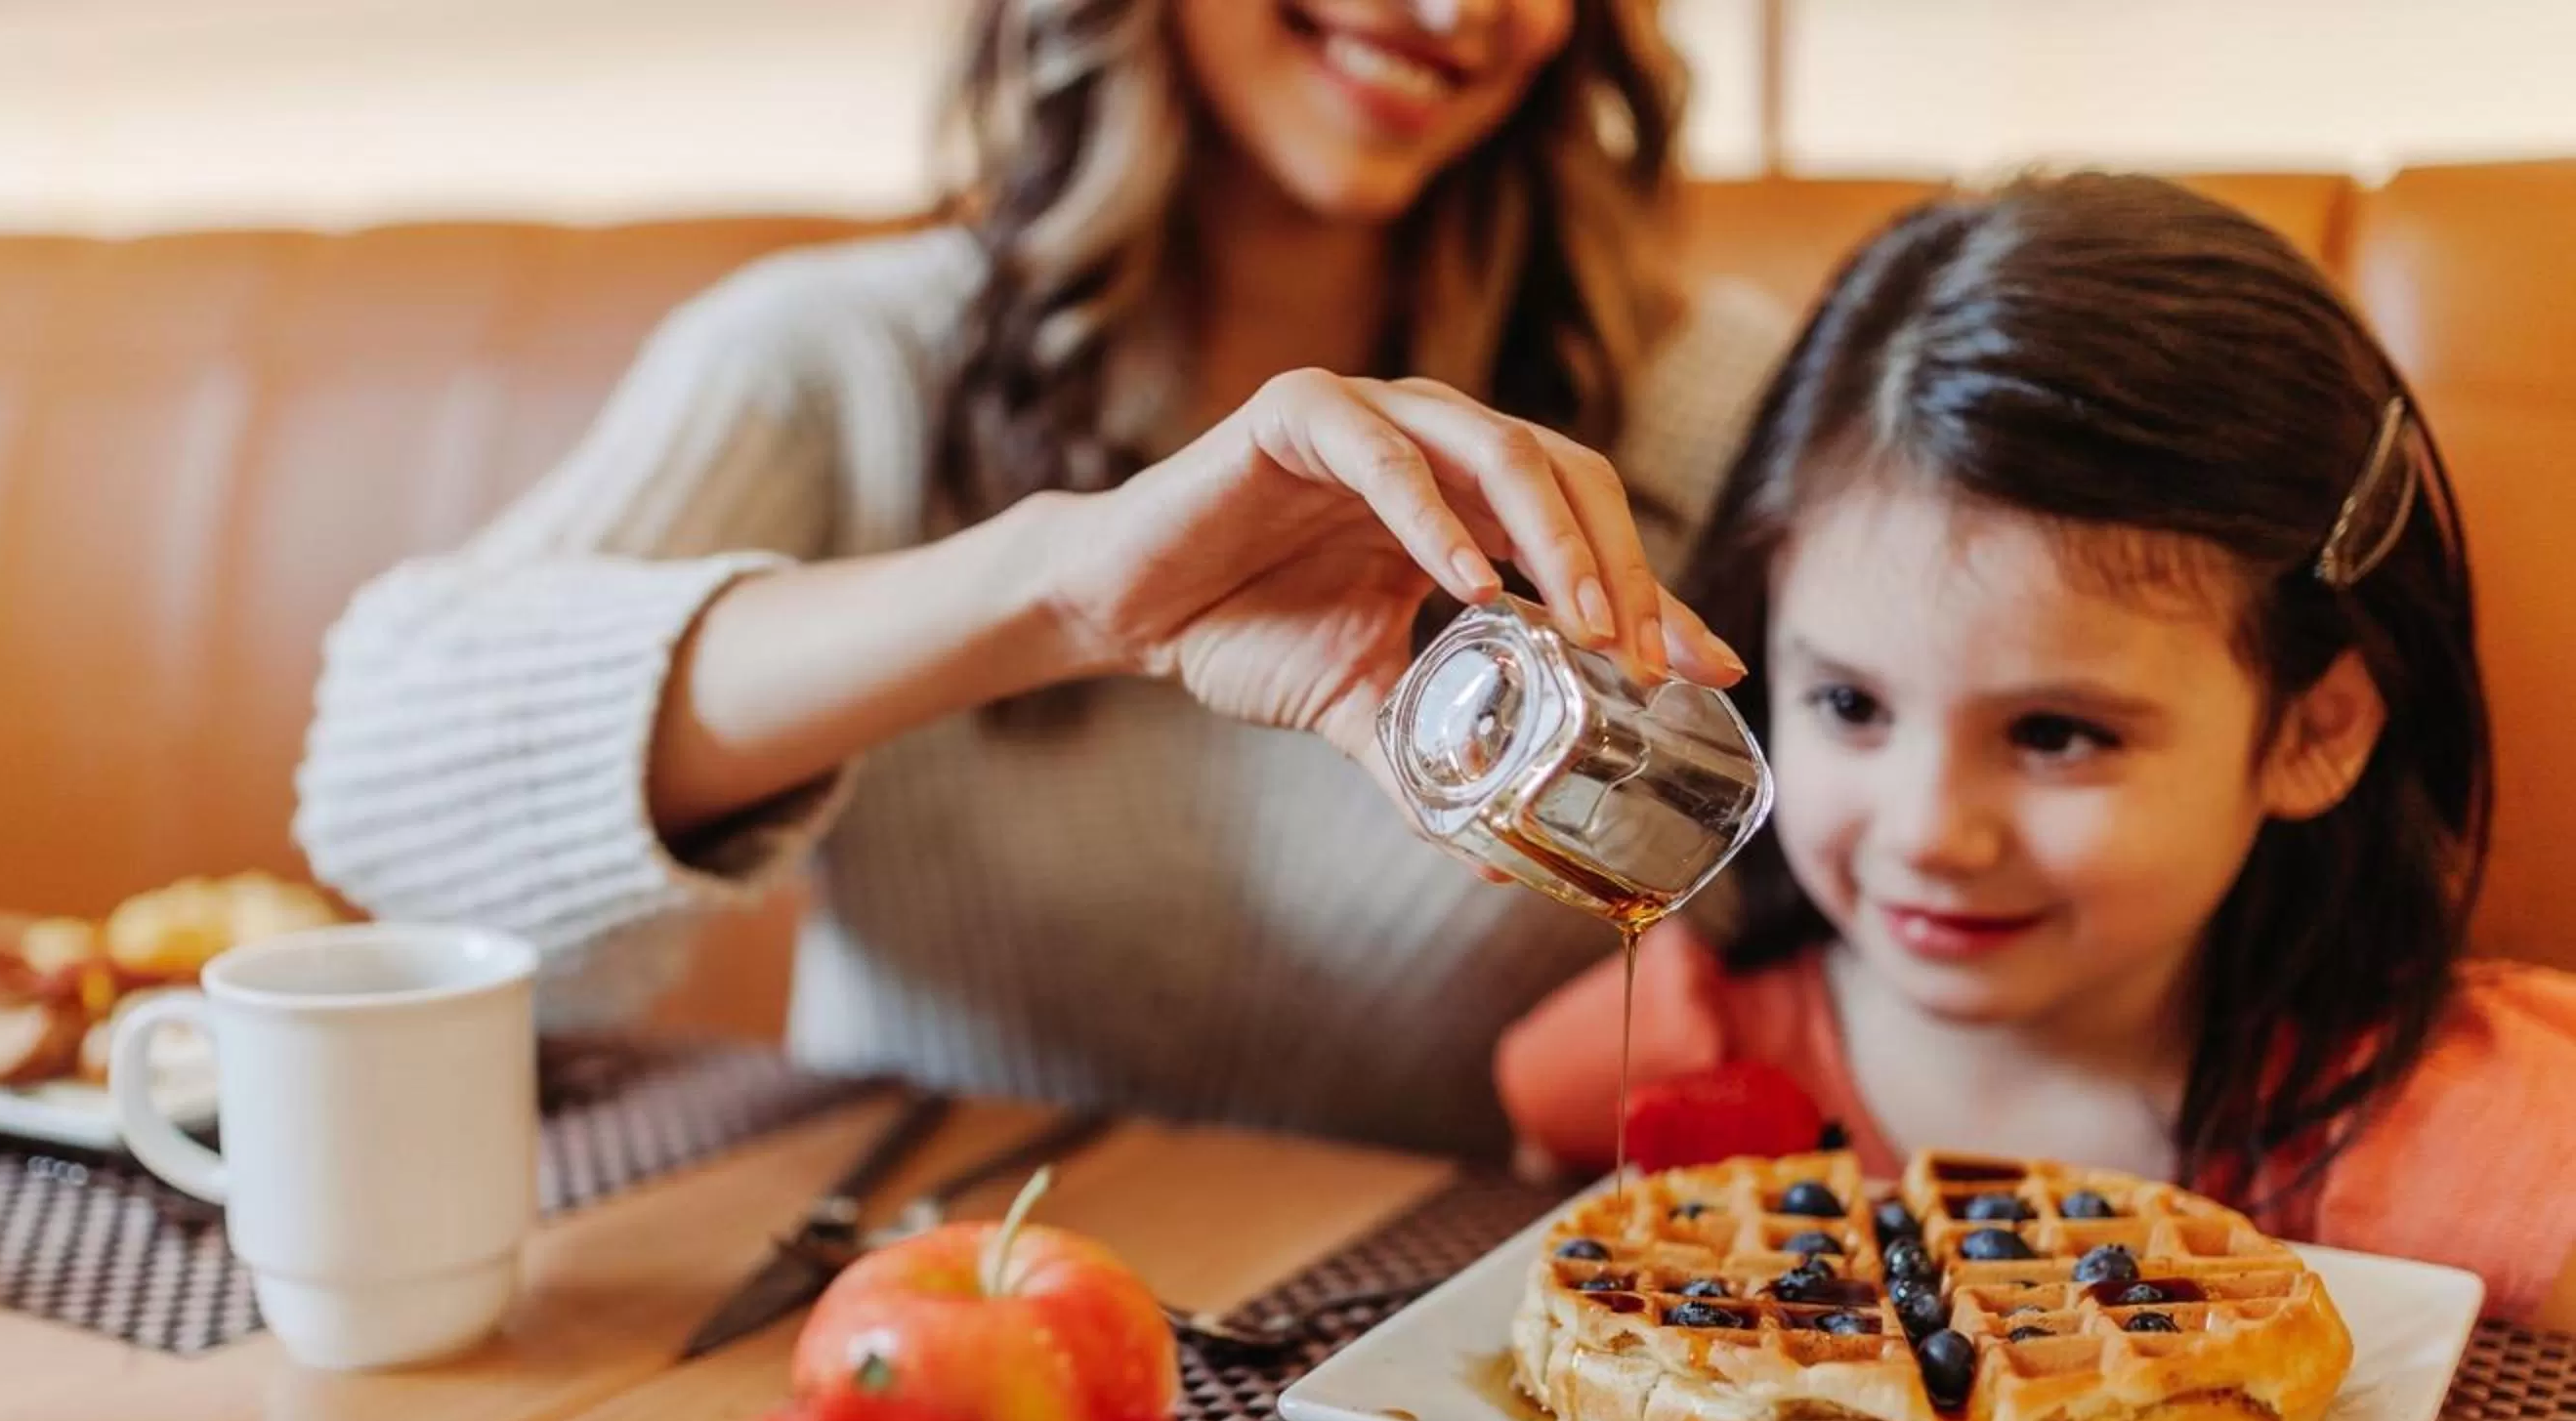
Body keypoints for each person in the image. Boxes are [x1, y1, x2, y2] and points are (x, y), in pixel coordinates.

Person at [295, 0, 1789, 1157]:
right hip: (899, 1305)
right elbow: (389, 799)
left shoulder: (1721, 405)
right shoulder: (832, 366)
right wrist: (1057, 591)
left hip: (1437, 1384)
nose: (1459, 11)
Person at [1495, 172, 2576, 1320]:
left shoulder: (2492, 1145)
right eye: (1850, 704)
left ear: (2315, 730)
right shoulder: (1653, 1057)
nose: (1929, 832)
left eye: (2056, 733)